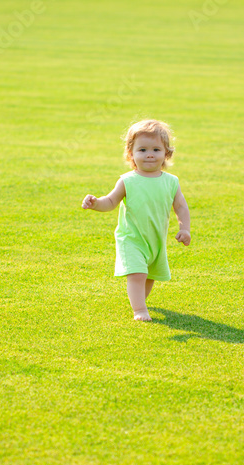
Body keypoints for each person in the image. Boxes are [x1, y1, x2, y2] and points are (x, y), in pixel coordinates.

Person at [82, 119, 191, 322]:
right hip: (131, 238)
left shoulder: (171, 182)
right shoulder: (128, 181)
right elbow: (111, 201)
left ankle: (140, 299)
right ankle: (139, 309)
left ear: (166, 153)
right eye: (142, 150)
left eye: (156, 149)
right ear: (130, 154)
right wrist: (96, 203)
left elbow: (181, 207)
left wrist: (185, 229)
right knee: (138, 273)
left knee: (150, 275)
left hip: (155, 240)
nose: (149, 154)